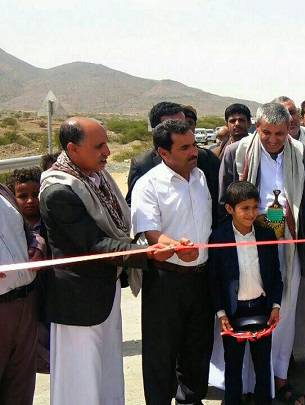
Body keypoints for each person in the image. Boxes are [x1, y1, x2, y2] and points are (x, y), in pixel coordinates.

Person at [40, 117, 172, 405]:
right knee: (81, 379)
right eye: (99, 146)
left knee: (106, 371)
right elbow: (94, 244)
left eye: (106, 144)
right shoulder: (59, 191)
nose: (107, 152)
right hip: (78, 302)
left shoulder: (95, 179)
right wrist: (147, 252)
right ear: (73, 149)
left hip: (103, 292)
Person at [228, 102, 305, 404]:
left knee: (283, 307)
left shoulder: (302, 154)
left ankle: (279, 377)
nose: (274, 140)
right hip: (247, 240)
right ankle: (249, 383)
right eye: (267, 133)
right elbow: (224, 199)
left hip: (288, 240)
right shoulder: (238, 152)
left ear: (289, 128)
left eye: (280, 133)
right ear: (257, 127)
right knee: (249, 306)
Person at [131, 119, 214, 405]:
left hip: (201, 278)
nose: (194, 152)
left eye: (194, 144)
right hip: (166, 280)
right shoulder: (148, 185)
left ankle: (190, 400)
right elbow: (152, 234)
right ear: (164, 153)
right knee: (161, 352)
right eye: (185, 148)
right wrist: (177, 248)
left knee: (197, 348)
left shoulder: (200, 177)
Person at [208, 181, 283, 405]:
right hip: (233, 312)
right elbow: (214, 280)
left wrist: (275, 306)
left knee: (263, 366)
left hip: (262, 308)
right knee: (233, 366)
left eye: (255, 207)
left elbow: (276, 275)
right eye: (245, 208)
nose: (251, 214)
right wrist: (221, 313)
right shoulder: (219, 238)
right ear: (230, 209)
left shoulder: (266, 235)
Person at [126, 101, 221, 224]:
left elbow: (219, 202)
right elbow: (135, 210)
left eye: (182, 124)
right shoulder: (143, 165)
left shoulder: (206, 159)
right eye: (171, 125)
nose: (179, 129)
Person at [0, 182, 41, 405]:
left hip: (25, 304)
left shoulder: (4, 192)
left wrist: (38, 247)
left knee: (20, 387)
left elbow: (30, 232)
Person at [7, 167, 50, 373]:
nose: (31, 201)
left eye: (36, 194)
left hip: (48, 292)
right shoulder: (11, 228)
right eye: (23, 196)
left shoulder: (50, 223)